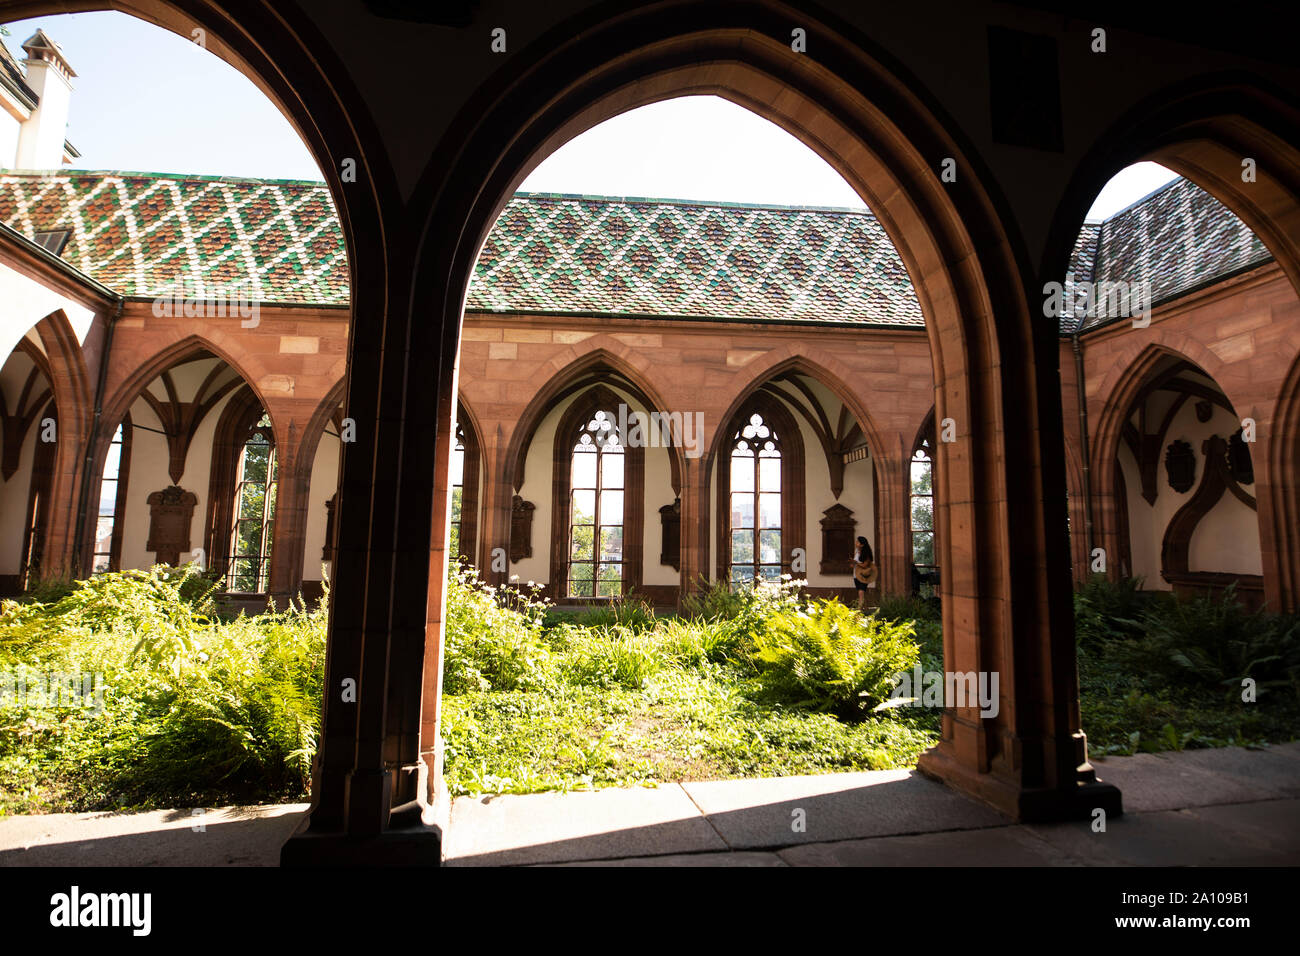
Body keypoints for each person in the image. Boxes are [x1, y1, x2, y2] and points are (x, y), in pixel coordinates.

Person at [852, 536, 877, 611]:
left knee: (861, 592)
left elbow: (865, 565)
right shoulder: (856, 551)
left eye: (858, 542)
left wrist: (856, 563)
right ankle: (865, 608)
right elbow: (855, 564)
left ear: (862, 544)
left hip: (864, 575)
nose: (856, 543)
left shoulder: (867, 553)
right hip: (856, 574)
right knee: (861, 592)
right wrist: (852, 563)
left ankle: (859, 610)